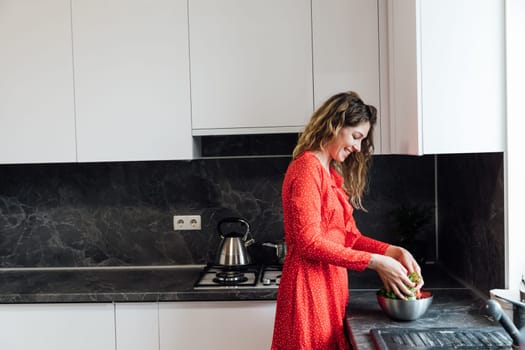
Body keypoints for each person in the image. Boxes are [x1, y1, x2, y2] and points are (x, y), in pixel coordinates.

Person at [271, 91, 424, 350]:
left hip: (329, 289)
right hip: (308, 291)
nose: (357, 147)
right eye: (356, 137)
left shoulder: (328, 174)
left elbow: (349, 239)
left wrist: (392, 251)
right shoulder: (307, 169)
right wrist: (376, 262)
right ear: (334, 125)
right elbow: (309, 242)